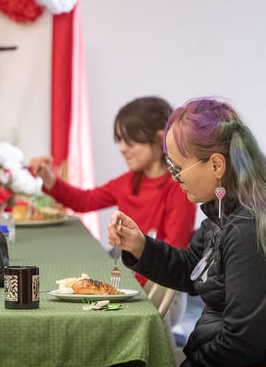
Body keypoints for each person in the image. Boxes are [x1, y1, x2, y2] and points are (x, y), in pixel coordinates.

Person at [108, 97, 266, 367]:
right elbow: (192, 268)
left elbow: (242, 343)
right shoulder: (227, 207)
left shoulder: (249, 227)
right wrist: (140, 246)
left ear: (216, 164)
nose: (176, 179)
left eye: (179, 170)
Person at [30, 96, 197, 287]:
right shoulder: (128, 181)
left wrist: (122, 286)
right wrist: (49, 178)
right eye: (120, 141)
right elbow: (85, 201)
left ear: (160, 140)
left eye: (131, 142)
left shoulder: (179, 189)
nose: (122, 149)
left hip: (160, 287)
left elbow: (173, 257)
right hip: (129, 274)